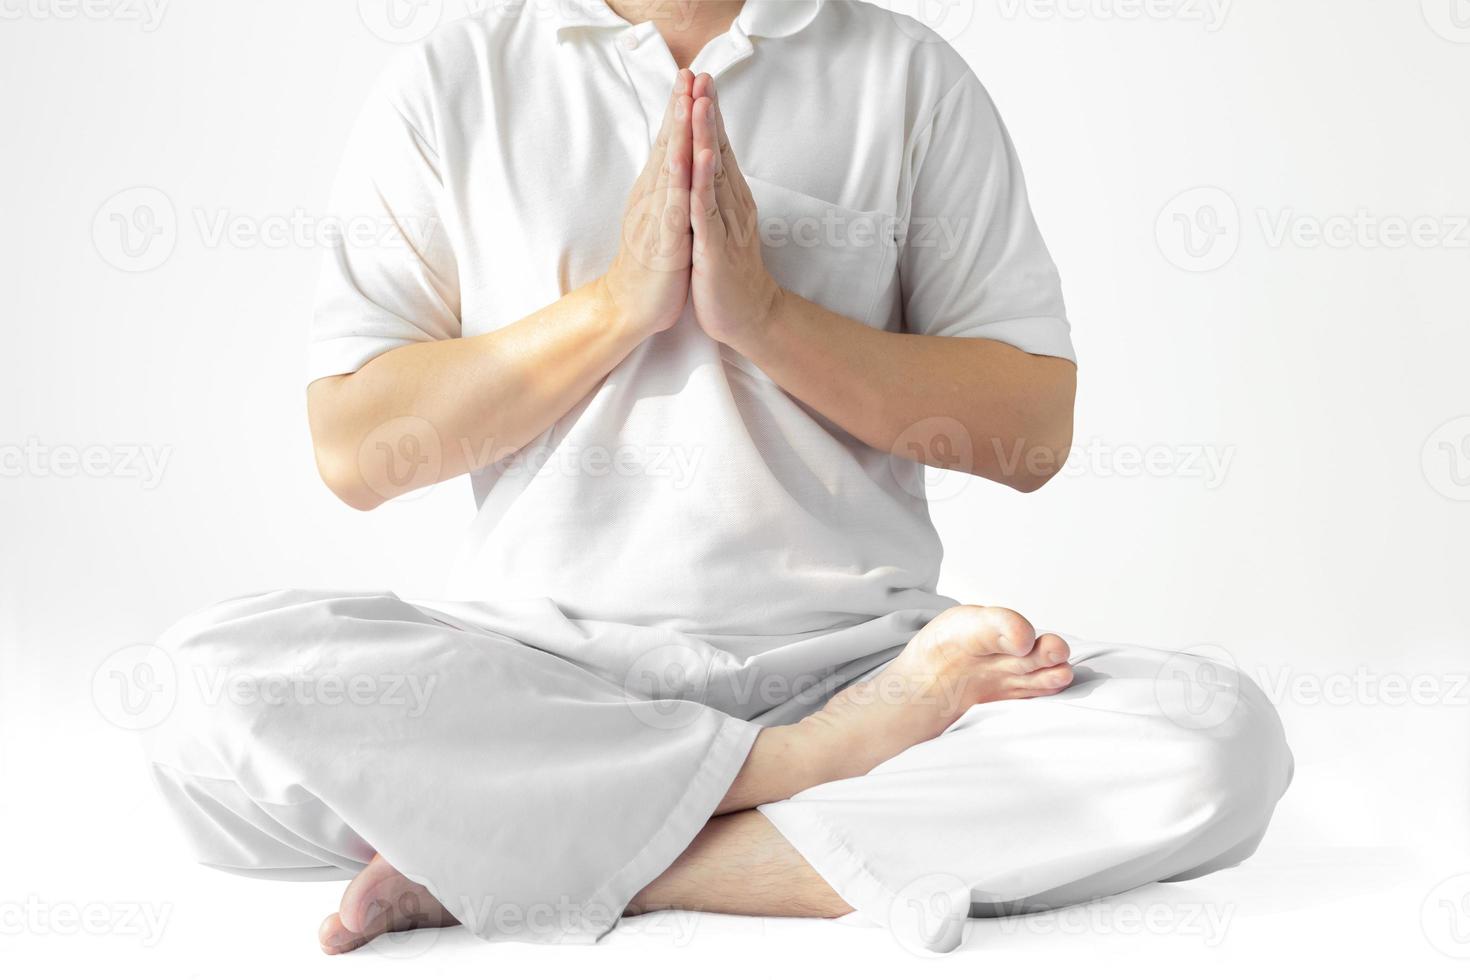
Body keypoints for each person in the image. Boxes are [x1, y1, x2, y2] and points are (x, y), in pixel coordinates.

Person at [142, 0, 1293, 956]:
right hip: (543, 685)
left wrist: (768, 316)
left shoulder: (906, 75)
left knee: (1214, 735)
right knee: (200, 702)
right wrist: (613, 307)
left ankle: (525, 857)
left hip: (862, 661)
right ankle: (787, 782)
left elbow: (1031, 432)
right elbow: (355, 446)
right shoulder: (455, 78)